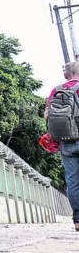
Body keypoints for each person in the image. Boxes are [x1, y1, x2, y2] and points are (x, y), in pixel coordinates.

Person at [44, 61, 79, 231]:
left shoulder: (56, 90)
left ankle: (78, 220)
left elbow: (47, 116)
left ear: (66, 75)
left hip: (67, 141)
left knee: (72, 181)